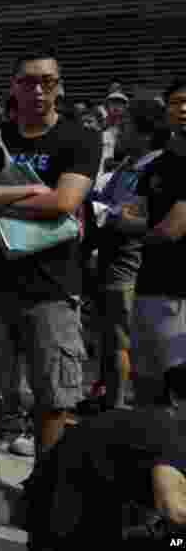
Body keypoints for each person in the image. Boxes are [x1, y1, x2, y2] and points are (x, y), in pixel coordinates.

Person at [0, 46, 101, 464]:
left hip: (53, 289)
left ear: (60, 88)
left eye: (47, 82)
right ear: (13, 87)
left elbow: (65, 202)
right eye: (27, 81)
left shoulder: (80, 137)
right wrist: (32, 191)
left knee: (54, 401)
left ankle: (48, 493)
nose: (37, 90)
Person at [26, 362, 186, 549]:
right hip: (67, 529)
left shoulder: (144, 421)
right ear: (175, 398)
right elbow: (172, 510)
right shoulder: (168, 433)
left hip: (47, 516)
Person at [89, 97, 170, 411]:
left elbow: (140, 218)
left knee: (122, 342)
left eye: (125, 127)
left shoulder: (157, 169)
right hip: (108, 263)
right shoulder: (126, 165)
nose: (118, 132)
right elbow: (105, 198)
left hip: (129, 267)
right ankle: (109, 400)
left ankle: (119, 408)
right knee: (109, 340)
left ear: (145, 133)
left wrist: (107, 214)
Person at [118, 79, 186, 407]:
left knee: (177, 385)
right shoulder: (159, 165)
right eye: (176, 102)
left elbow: (172, 229)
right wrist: (135, 223)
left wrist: (130, 226)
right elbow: (133, 210)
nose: (183, 109)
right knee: (147, 385)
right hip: (149, 284)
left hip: (178, 295)